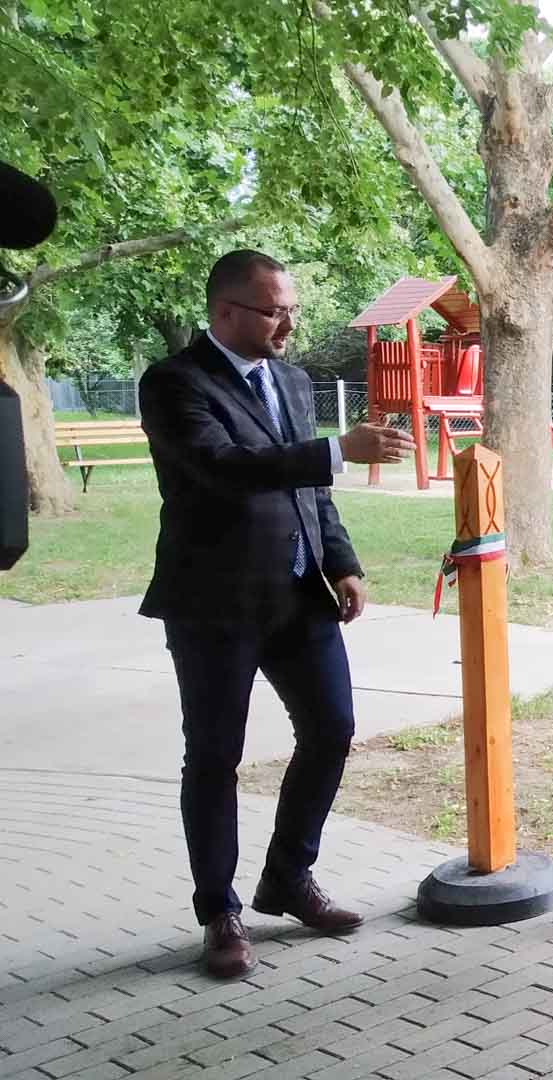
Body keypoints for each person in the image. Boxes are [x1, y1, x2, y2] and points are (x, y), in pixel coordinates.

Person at [138, 249, 415, 978]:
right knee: (215, 757)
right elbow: (222, 468)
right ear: (225, 311)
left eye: (291, 308)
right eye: (274, 311)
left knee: (332, 730)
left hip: (299, 596)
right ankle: (219, 912)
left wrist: (341, 561)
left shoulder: (290, 379)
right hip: (214, 606)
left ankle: (288, 877)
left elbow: (311, 491)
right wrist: (335, 450)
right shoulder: (173, 382)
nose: (288, 323)